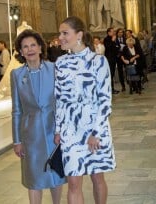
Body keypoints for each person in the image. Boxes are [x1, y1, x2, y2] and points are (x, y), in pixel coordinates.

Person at [55, 16, 116, 204]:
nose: (60, 37)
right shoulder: (60, 62)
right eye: (60, 33)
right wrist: (58, 129)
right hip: (70, 130)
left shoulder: (98, 61)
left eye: (65, 33)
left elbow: (105, 101)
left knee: (97, 177)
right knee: (73, 181)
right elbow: (59, 98)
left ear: (79, 35)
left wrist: (95, 133)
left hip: (95, 127)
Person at [10, 30, 65, 204]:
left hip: (54, 131)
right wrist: (17, 140)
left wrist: (61, 129)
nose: (30, 49)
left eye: (33, 45)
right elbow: (17, 109)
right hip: (30, 134)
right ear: (21, 51)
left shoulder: (54, 68)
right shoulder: (17, 75)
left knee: (55, 174)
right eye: (25, 47)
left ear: (41, 47)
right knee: (34, 178)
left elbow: (62, 102)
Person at [103, 27, 119, 94]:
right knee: (110, 74)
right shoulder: (106, 39)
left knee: (112, 74)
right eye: (112, 31)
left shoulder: (115, 39)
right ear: (108, 32)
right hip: (109, 59)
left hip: (114, 58)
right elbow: (108, 48)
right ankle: (110, 89)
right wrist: (112, 41)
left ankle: (112, 88)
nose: (114, 33)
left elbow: (116, 47)